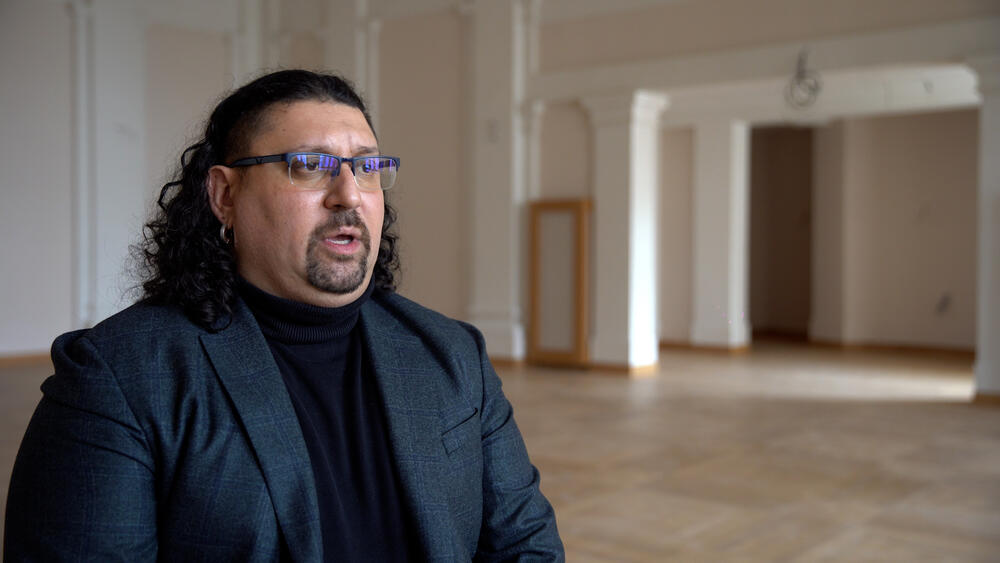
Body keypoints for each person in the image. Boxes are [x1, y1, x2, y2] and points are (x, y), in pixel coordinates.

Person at [4, 69, 563, 562]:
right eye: (310, 165)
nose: (349, 195)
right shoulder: (119, 377)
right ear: (225, 196)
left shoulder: (453, 352)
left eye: (367, 167)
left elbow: (525, 546)